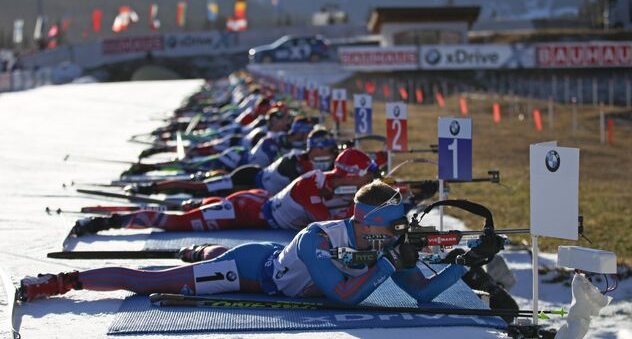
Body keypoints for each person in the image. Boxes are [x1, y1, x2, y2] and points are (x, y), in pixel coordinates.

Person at [19, 181, 497, 305]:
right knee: (146, 282)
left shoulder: (384, 243)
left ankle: (199, 251)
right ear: (369, 219)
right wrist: (390, 265)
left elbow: (421, 295)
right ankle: (62, 281)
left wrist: (464, 263)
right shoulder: (317, 237)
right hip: (252, 272)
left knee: (196, 258)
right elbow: (341, 294)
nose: (400, 234)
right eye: (394, 225)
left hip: (278, 265)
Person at [69, 148, 375, 236]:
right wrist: (357, 208)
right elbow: (327, 225)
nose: (368, 181)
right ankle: (107, 222)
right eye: (365, 176)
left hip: (259, 205)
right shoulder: (312, 183)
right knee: (178, 222)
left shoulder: (338, 183)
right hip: (246, 210)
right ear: (352, 174)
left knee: (199, 204)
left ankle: (197, 202)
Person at [130, 128, 338, 197]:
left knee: (199, 182)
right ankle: (149, 187)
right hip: (245, 177)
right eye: (328, 149)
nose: (331, 154)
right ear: (317, 148)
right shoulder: (294, 158)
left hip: (253, 180)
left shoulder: (302, 154)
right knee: (198, 186)